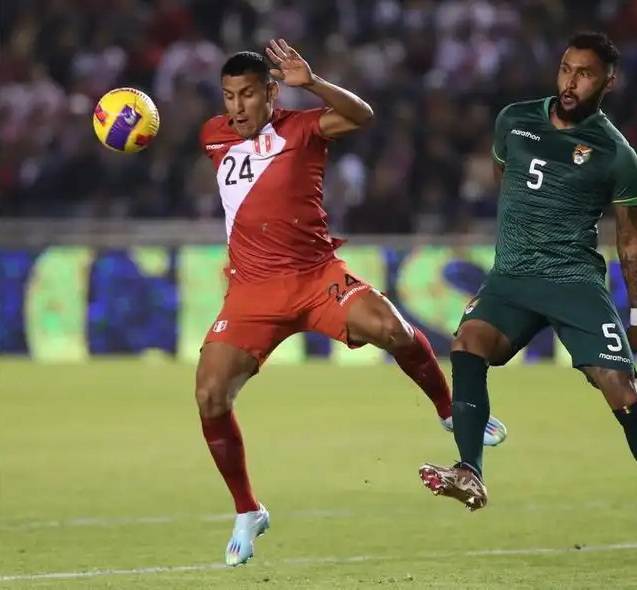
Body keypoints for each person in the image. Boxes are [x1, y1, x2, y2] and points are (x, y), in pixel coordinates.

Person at [195, 41, 508, 567]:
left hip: (318, 277)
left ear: (271, 92)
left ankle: (450, 410)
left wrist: (312, 81)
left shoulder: (303, 128)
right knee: (208, 396)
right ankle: (249, 510)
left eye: (248, 95)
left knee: (395, 331)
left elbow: (361, 116)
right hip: (253, 291)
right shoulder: (213, 136)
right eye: (229, 97)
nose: (237, 108)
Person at [416, 32, 637, 577]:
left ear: (607, 82)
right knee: (467, 343)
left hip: (573, 281)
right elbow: (510, 185)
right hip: (512, 277)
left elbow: (628, 240)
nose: (571, 82)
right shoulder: (513, 120)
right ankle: (469, 470)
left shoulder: (617, 155)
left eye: (586, 74)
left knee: (622, 392)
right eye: (566, 70)